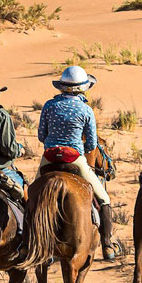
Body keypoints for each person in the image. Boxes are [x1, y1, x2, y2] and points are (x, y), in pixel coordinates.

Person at [37, 65, 117, 260]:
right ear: (83, 88)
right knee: (104, 198)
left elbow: (41, 135)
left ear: (62, 86)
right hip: (75, 159)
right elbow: (90, 145)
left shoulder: (49, 105)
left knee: (31, 196)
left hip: (49, 158)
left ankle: (27, 243)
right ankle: (107, 244)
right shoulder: (86, 110)